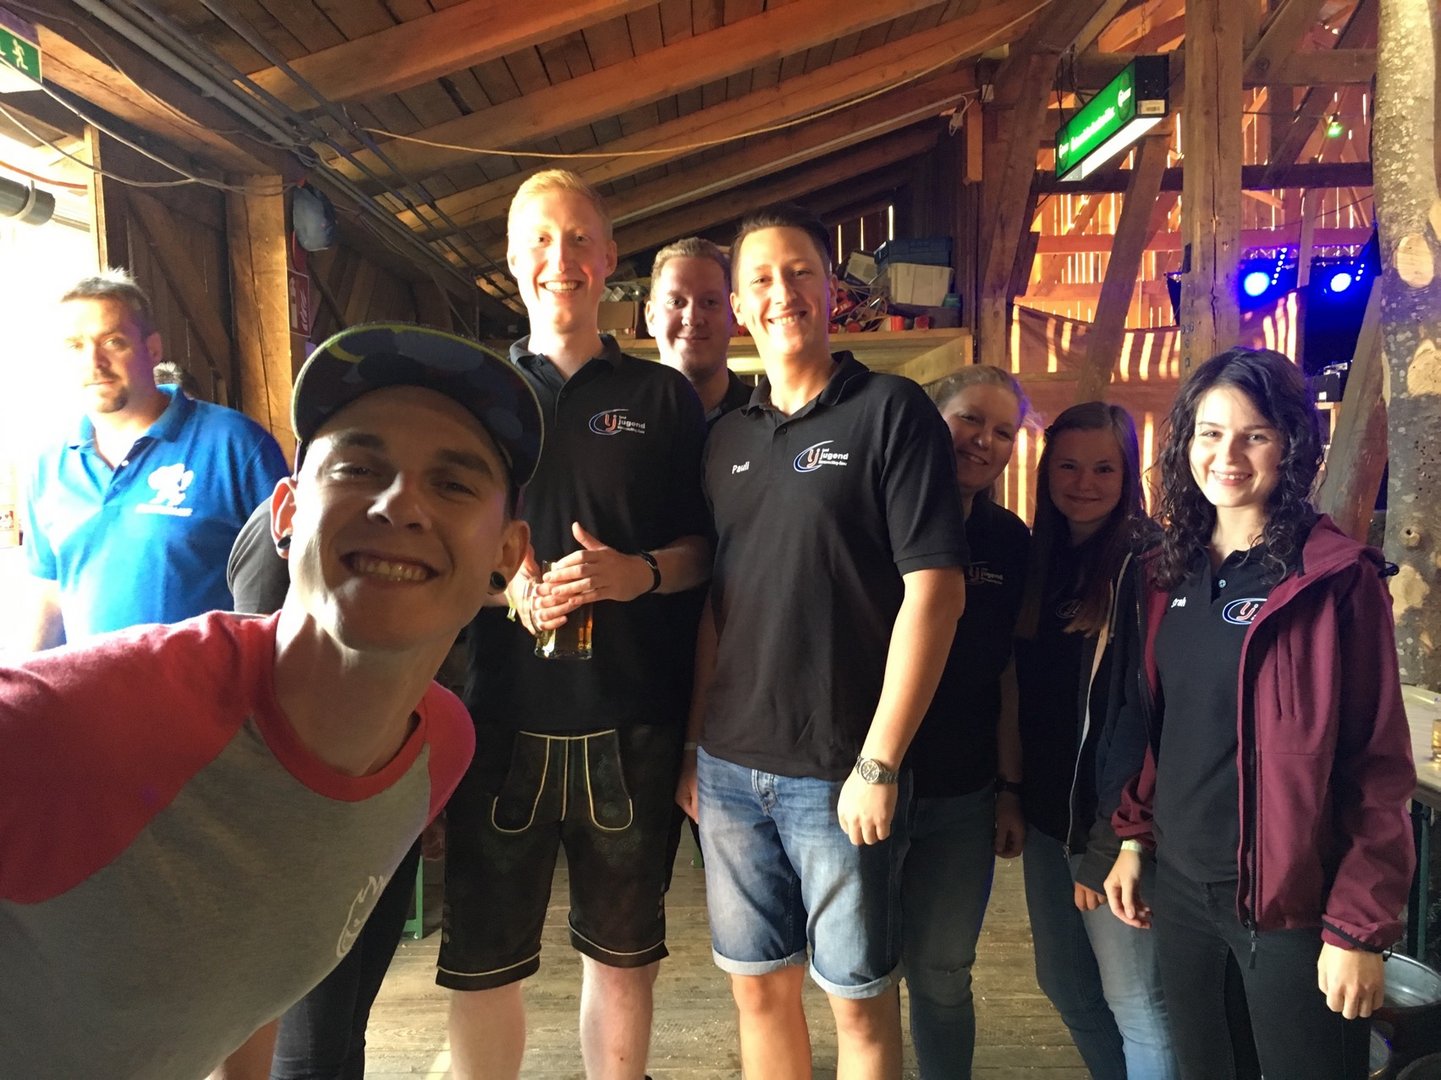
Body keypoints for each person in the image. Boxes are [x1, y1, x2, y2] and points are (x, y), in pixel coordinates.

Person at [0, 322, 542, 1080]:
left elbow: (250, 972)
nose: (400, 504)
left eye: (452, 484)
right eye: (358, 468)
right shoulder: (86, 722)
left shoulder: (435, 747)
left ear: (506, 557)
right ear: (285, 515)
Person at [676, 203, 968, 1079]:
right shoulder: (725, 438)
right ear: (738, 305)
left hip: (839, 770)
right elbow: (716, 607)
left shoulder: (889, 411)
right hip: (729, 771)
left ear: (832, 290)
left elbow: (935, 593)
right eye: (760, 279)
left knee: (858, 1002)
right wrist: (693, 747)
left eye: (799, 272)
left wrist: (880, 761)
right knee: (758, 991)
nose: (782, 293)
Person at [440, 169, 711, 1080]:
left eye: (579, 239)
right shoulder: (472, 394)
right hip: (494, 717)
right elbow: (435, 550)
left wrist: (638, 573)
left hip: (631, 720)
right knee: (483, 959)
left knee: (622, 955)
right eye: (541, 241)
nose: (561, 258)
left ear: (609, 260)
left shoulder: (664, 396)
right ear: (512, 261)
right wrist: (502, 585)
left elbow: (707, 554)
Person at [1103, 347, 1416, 1080]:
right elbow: (1168, 726)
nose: (1227, 456)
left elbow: (1377, 765)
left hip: (1292, 910)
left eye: (1255, 435)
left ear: (1291, 445)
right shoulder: (1167, 570)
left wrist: (1358, 928)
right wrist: (1134, 838)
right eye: (1210, 433)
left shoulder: (1333, 579)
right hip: (1183, 892)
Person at [1012, 401, 1178, 1080]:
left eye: (1104, 468)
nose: (1084, 483)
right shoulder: (1039, 556)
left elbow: (1151, 714)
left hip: (1112, 824)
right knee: (1066, 985)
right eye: (1069, 466)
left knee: (1137, 1001)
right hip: (1049, 816)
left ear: (1129, 473)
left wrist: (1116, 839)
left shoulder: (1149, 564)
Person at [18, 269, 288, 649]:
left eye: (113, 342)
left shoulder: (235, 445)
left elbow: (290, 583)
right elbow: (50, 594)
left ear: (153, 349)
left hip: (207, 686)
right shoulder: (49, 466)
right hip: (88, 685)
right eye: (75, 346)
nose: (94, 362)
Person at [902, 366, 1031, 1079]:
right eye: (970, 419)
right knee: (861, 969)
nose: (984, 441)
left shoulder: (1009, 541)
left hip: (963, 791)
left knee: (943, 970)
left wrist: (1009, 789)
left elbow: (1007, 670)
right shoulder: (871, 512)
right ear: (931, 417)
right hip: (861, 785)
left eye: (1003, 431)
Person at [645, 237, 749, 423]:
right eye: (676, 302)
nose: (692, 318)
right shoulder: (619, 419)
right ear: (651, 317)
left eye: (710, 302)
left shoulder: (771, 421)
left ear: (734, 317)